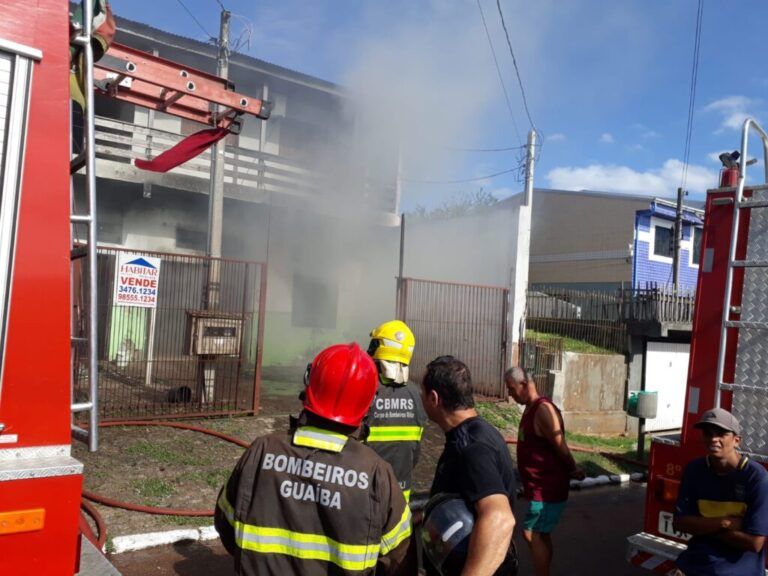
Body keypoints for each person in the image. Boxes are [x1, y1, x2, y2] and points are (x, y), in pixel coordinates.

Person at [215, 343, 415, 576]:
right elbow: (400, 558)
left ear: (309, 384)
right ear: (368, 405)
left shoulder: (261, 451)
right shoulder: (376, 473)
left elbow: (226, 526)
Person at [422, 355, 517, 576]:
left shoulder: (472, 448)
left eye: (422, 394)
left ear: (434, 398)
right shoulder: (478, 432)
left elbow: (500, 518)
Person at [505, 366, 584, 576]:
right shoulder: (531, 408)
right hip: (538, 487)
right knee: (541, 534)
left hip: (547, 488)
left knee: (531, 533)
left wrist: (573, 468)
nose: (510, 394)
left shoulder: (543, 409)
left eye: (511, 389)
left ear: (524, 384)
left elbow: (560, 445)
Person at [672, 407, 768, 576]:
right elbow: (679, 523)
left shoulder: (756, 477)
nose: (713, 439)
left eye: (721, 434)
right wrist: (724, 523)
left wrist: (701, 527)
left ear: (737, 441)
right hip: (694, 566)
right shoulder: (694, 470)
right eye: (708, 433)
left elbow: (754, 543)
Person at [364, 320, 427, 501]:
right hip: (400, 495)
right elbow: (415, 451)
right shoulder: (416, 394)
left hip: (364, 491)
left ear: (378, 347)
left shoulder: (364, 388)